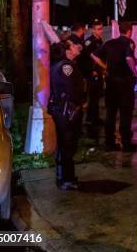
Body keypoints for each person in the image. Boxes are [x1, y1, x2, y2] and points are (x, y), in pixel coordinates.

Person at [91, 22, 137, 152]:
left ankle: (109, 142)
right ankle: (126, 142)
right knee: (125, 112)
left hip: (111, 82)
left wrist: (105, 67)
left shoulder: (109, 43)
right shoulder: (128, 43)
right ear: (129, 31)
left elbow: (93, 55)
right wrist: (136, 73)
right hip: (125, 82)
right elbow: (129, 59)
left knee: (111, 113)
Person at [48, 39, 84, 190]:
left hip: (63, 109)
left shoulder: (60, 65)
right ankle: (66, 179)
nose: (78, 47)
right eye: (74, 45)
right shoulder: (66, 66)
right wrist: (79, 103)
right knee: (68, 144)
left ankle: (64, 177)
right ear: (68, 50)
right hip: (67, 110)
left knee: (65, 144)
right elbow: (70, 90)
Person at [80, 20, 104, 138]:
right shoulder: (89, 42)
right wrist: (92, 70)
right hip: (92, 73)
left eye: (101, 28)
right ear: (93, 30)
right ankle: (90, 119)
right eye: (98, 29)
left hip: (98, 72)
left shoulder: (99, 40)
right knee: (93, 96)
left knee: (97, 95)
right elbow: (89, 58)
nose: (101, 31)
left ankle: (96, 117)